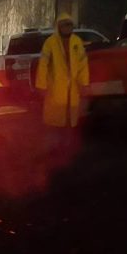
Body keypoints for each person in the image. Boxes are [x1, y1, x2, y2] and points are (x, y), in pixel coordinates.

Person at [35, 13, 90, 156]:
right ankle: (53, 149)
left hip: (72, 90)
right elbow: (43, 65)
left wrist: (84, 84)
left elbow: (83, 65)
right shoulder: (50, 43)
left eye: (70, 24)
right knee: (55, 122)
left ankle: (67, 149)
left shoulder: (77, 42)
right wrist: (41, 85)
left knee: (70, 120)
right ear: (59, 26)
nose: (68, 27)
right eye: (65, 25)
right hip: (56, 89)